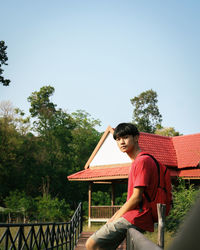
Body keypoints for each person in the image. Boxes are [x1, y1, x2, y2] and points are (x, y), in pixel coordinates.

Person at [86, 123, 158, 250]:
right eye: (118, 139)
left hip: (138, 216)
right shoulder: (137, 161)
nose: (121, 142)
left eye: (125, 137)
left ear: (136, 137)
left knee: (92, 243)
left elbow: (136, 198)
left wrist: (115, 218)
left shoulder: (142, 161)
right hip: (136, 216)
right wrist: (114, 217)